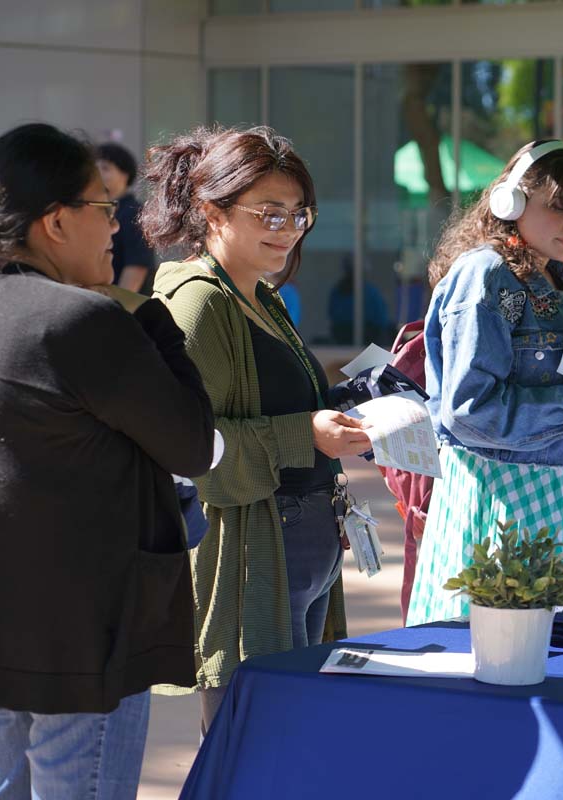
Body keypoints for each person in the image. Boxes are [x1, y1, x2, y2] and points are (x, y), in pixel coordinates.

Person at [0, 123, 214, 798]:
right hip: (88, 637)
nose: (117, 227)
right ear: (55, 221)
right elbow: (194, 445)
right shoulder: (83, 321)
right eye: (104, 208)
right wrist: (156, 325)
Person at [139, 125, 372, 734]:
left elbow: (279, 405)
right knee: (254, 744)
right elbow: (192, 447)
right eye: (269, 212)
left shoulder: (260, 295)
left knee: (292, 740)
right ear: (212, 210)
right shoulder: (199, 304)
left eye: (299, 214)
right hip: (254, 550)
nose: (287, 228)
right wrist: (306, 434)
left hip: (302, 541)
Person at [406, 139, 563, 626]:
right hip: (516, 504)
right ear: (510, 202)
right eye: (560, 207)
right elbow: (470, 410)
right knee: (505, 649)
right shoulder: (486, 274)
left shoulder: (561, 274)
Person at [96, 141, 155, 293]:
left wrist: (119, 304)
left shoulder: (133, 212)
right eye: (95, 168)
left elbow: (137, 266)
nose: (98, 173)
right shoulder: (98, 209)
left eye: (105, 168)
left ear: (125, 175)